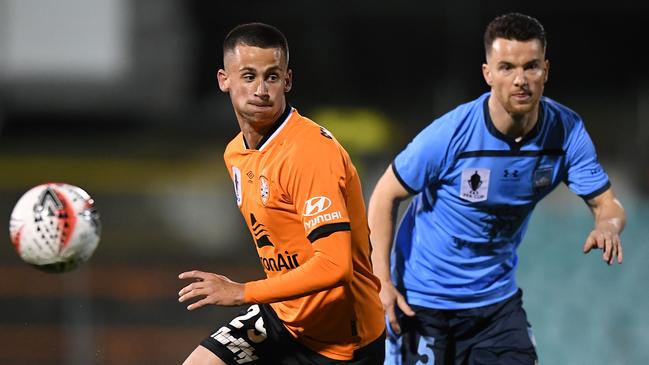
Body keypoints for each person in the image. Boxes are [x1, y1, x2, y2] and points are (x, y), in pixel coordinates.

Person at [367, 12, 626, 365]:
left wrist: (607, 226)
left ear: (546, 71)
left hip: (495, 305)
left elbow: (608, 205)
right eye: (507, 68)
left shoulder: (565, 133)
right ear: (488, 74)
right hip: (423, 302)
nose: (520, 80)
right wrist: (381, 281)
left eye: (531, 67)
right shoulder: (451, 135)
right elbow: (385, 195)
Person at [178, 22, 385, 365]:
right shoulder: (235, 153)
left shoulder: (309, 154)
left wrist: (243, 292)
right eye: (248, 76)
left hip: (344, 340)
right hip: (283, 319)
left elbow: (335, 266)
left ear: (287, 81)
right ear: (223, 80)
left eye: (271, 77)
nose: (261, 89)